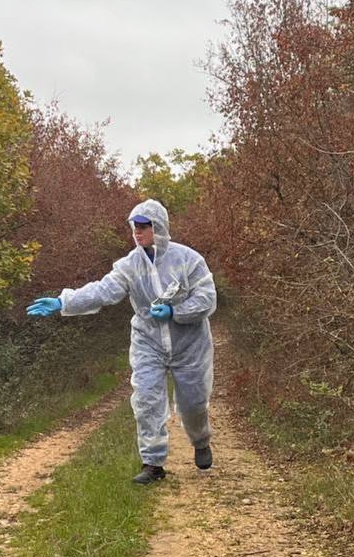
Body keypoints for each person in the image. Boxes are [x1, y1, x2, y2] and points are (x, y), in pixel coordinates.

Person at [26, 199, 216, 484]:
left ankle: (200, 441)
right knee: (147, 399)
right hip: (149, 342)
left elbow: (206, 297)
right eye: (135, 226)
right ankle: (153, 463)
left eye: (144, 226)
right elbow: (103, 291)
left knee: (193, 402)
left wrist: (176, 311)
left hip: (189, 343)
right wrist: (64, 301)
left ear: (158, 227)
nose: (137, 232)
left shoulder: (188, 260)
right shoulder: (130, 265)